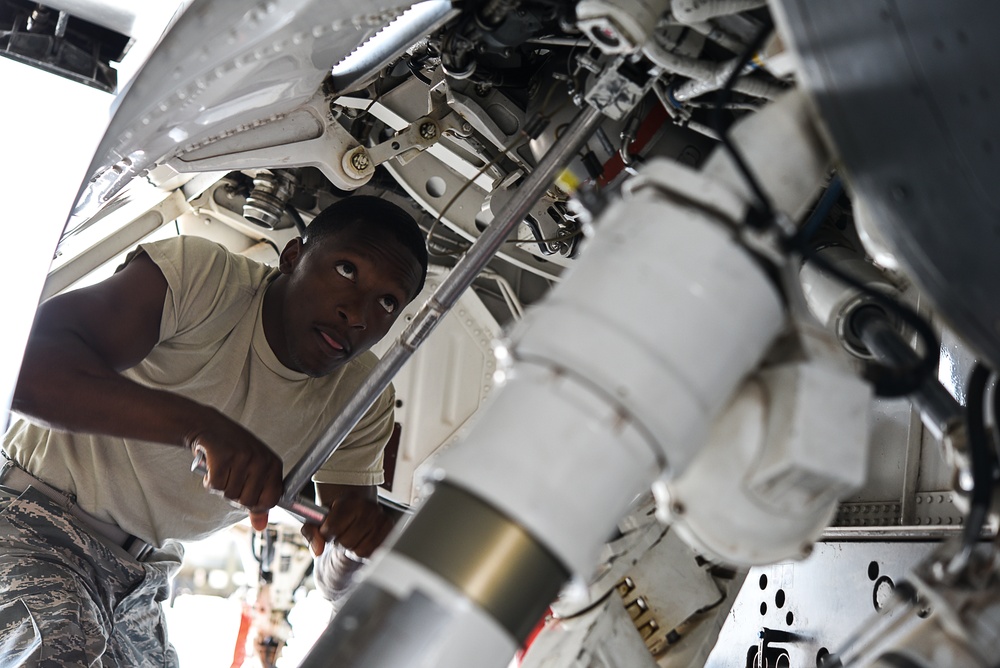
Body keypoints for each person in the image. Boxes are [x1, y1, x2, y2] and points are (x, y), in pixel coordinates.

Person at [0, 194, 428, 666]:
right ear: (293, 258)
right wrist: (197, 426)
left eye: (388, 302)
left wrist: (356, 553)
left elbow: (335, 574)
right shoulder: (205, 278)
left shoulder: (363, 396)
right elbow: (24, 372)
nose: (358, 312)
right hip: (29, 527)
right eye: (346, 270)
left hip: (140, 576)